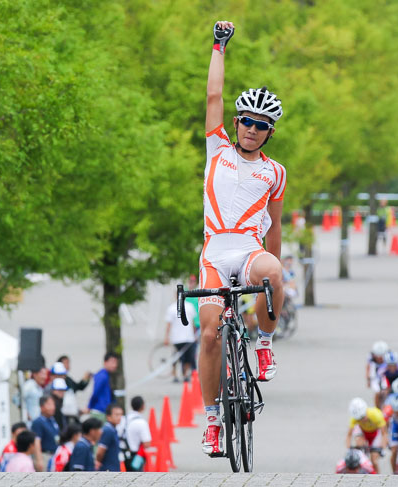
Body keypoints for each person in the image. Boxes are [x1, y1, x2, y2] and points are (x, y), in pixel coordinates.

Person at [198, 20, 287, 457]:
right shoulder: (217, 148)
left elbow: (276, 229)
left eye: (261, 125)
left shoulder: (275, 172)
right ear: (236, 122)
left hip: (251, 251)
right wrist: (219, 46)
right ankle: (213, 420)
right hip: (215, 251)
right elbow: (213, 95)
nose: (252, 129)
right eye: (247, 121)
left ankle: (265, 343)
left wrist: (278, 285)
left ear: (270, 132)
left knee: (274, 269)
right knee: (210, 335)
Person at [345, 397, 387, 473]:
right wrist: (349, 450)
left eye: (363, 417)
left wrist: (382, 448)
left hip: (375, 434)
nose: (362, 420)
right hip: (364, 433)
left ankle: (378, 478)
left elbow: (384, 433)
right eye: (359, 419)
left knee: (374, 460)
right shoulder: (354, 419)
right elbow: (349, 435)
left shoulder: (375, 414)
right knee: (359, 443)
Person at [165, 293, 198, 383]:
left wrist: (167, 337)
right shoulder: (188, 306)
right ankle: (182, 374)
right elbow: (193, 323)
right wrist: (194, 335)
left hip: (180, 338)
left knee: (179, 357)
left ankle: (180, 374)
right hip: (186, 337)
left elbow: (169, 325)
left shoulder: (172, 307)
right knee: (185, 358)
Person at [58, 355, 92, 424]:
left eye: (68, 363)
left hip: (72, 411)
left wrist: (85, 379)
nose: (68, 365)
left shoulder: (68, 379)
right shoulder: (57, 382)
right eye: (65, 363)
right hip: (63, 412)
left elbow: (77, 387)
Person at [123, 395, 153, 472]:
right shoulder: (141, 422)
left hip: (123, 455)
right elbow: (147, 443)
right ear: (143, 406)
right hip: (135, 456)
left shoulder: (124, 418)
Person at [88, 352, 119, 420]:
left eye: (116, 362)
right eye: (112, 362)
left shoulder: (106, 375)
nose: (115, 365)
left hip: (102, 411)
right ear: (105, 362)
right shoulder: (102, 376)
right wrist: (89, 407)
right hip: (99, 412)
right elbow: (95, 393)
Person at [96, 403, 123, 471]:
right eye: (116, 415)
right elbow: (100, 452)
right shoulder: (108, 430)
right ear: (108, 417)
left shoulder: (113, 429)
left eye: (120, 414)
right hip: (108, 469)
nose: (119, 417)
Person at [366, 341, 389, 407]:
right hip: (376, 375)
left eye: (381, 357)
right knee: (377, 392)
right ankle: (377, 408)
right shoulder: (370, 357)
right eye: (377, 356)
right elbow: (368, 367)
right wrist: (368, 379)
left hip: (384, 374)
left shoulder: (388, 357)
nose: (379, 359)